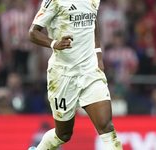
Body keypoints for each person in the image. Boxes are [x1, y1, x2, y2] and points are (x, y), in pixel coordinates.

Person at [28, 0, 123, 150]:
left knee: (107, 128)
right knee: (63, 135)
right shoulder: (54, 1)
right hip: (62, 75)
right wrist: (54, 44)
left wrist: (98, 55)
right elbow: (32, 33)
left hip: (90, 71)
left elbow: (92, 20)